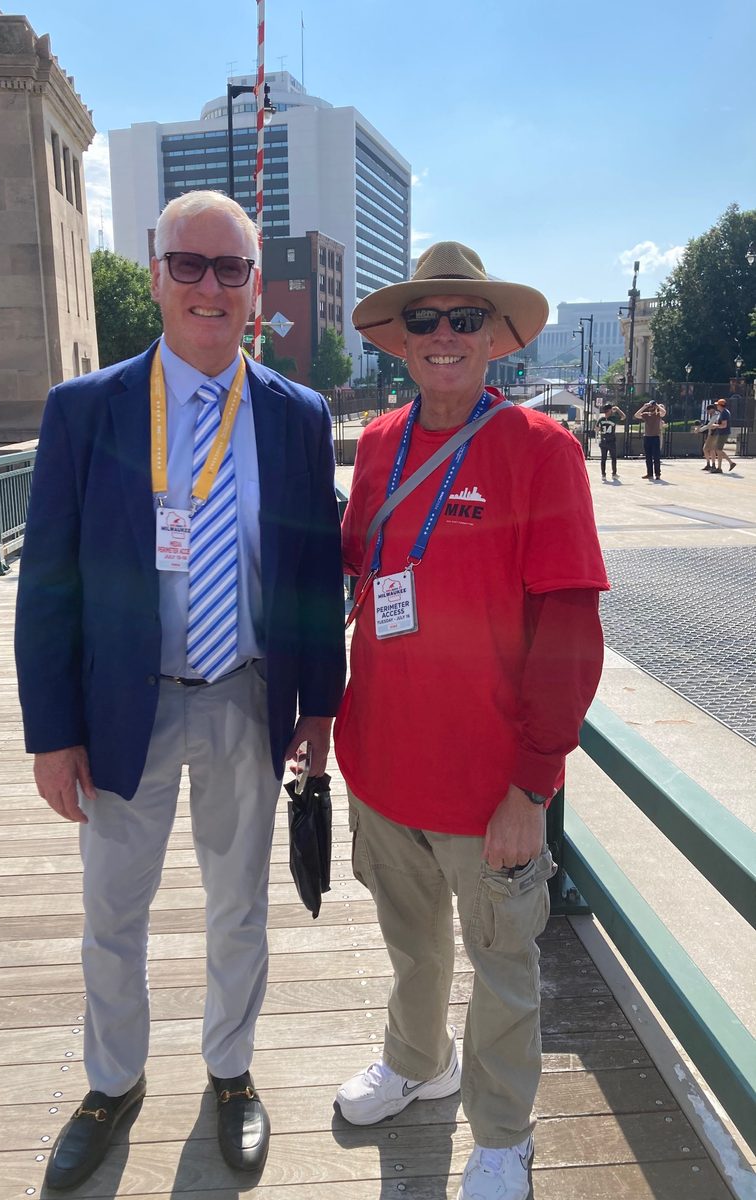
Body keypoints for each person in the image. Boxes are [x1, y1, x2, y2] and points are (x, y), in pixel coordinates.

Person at [14, 190, 346, 1190]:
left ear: (254, 294)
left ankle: (232, 1075)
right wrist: (50, 731)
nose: (209, 285)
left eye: (230, 269)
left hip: (245, 696)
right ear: (155, 273)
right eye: (188, 265)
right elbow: (49, 583)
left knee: (237, 906)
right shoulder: (87, 409)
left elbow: (313, 574)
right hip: (125, 705)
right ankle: (113, 1083)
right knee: (113, 911)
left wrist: (319, 708)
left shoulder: (295, 417)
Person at [332, 241, 609, 1200]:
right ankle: (417, 1062)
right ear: (400, 340)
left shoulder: (543, 450)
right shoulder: (376, 445)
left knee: (504, 968)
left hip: (492, 783)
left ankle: (503, 1134)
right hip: (379, 762)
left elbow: (572, 628)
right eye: (424, 320)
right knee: (412, 944)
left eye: (463, 320)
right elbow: (358, 578)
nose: (444, 337)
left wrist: (532, 785)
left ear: (496, 337)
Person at [633, 399, 667, 480]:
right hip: (647, 437)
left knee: (656, 457)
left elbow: (664, 413)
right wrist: (644, 407)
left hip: (655, 437)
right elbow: (636, 415)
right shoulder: (646, 414)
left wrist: (657, 405)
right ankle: (650, 473)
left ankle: (657, 474)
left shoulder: (658, 414)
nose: (651, 408)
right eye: (650, 407)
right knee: (648, 457)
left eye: (652, 407)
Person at [595, 402, 626, 479]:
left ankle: (603, 475)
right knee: (613, 458)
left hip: (603, 440)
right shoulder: (613, 418)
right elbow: (623, 416)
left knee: (603, 458)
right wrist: (618, 409)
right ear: (609, 410)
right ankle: (614, 474)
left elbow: (596, 429)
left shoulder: (601, 419)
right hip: (611, 440)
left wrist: (600, 431)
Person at [710, 398, 736, 472]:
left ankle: (724, 466)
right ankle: (725, 465)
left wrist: (715, 426)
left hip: (723, 433)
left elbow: (724, 425)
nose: (716, 406)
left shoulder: (724, 413)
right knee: (718, 450)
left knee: (718, 450)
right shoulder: (724, 412)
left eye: (717, 405)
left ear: (720, 405)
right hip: (723, 433)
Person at [697, 403, 719, 471]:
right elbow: (707, 424)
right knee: (706, 449)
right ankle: (709, 464)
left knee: (711, 449)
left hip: (715, 434)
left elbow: (709, 425)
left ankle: (713, 465)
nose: (707, 412)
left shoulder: (716, 415)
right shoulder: (711, 415)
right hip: (711, 434)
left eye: (708, 410)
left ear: (712, 409)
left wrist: (700, 430)